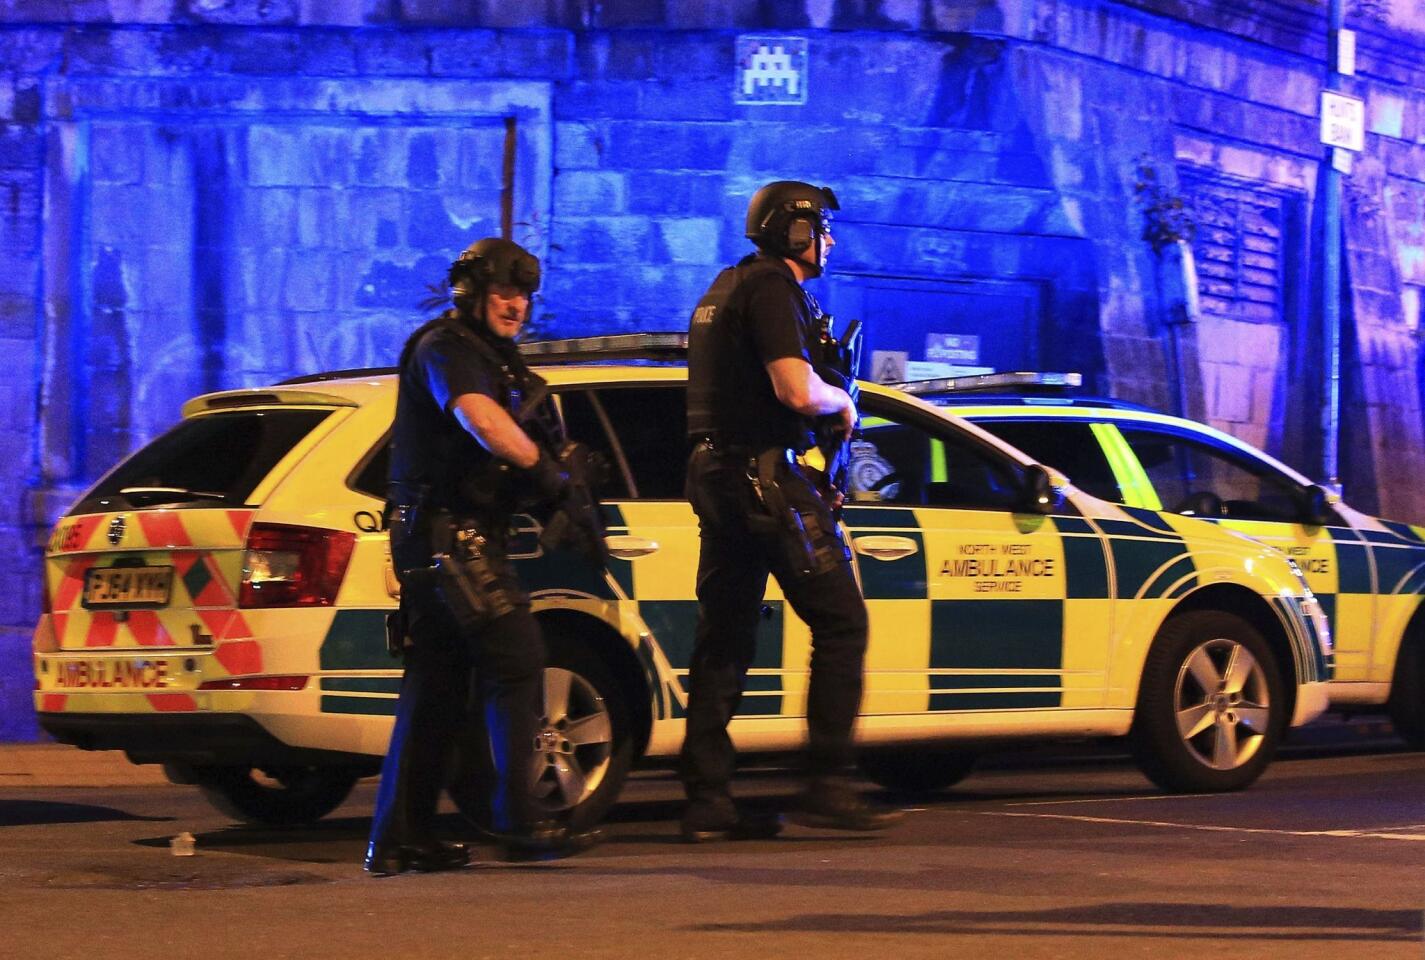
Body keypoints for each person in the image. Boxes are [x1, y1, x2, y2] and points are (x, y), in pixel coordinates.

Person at [365, 237, 600, 874]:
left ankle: (399, 840)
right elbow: (481, 421)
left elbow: (514, 440)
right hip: (447, 534)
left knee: (438, 686)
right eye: (502, 292)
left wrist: (561, 496)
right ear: (470, 293)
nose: (515, 304)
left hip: (458, 533)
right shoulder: (447, 348)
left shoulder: (499, 360)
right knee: (517, 653)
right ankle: (517, 820)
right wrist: (546, 475)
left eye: (523, 294)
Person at [680, 180, 902, 842]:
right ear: (793, 231)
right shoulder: (772, 289)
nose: (828, 241)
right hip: (764, 478)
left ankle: (706, 798)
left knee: (725, 637)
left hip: (720, 478)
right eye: (821, 229)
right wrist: (842, 402)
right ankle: (828, 783)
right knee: (841, 623)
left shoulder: (726, 286)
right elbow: (792, 386)